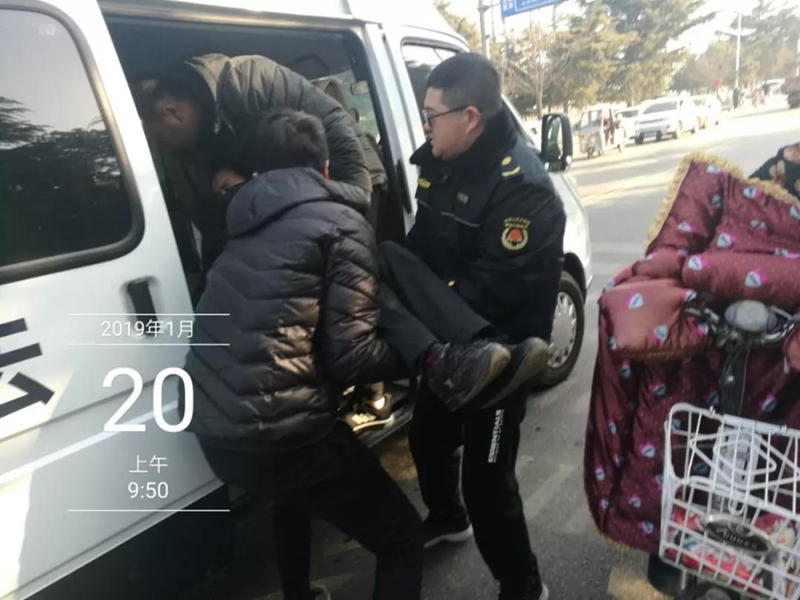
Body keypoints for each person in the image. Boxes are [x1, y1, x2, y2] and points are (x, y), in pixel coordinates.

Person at [182, 107, 519, 600]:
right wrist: (419, 354)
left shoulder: (236, 223)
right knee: (401, 540)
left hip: (213, 429)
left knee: (291, 497)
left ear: (258, 175)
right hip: (286, 432)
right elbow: (352, 358)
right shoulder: (341, 222)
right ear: (324, 169)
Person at [401, 53, 566, 600]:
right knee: (426, 437)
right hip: (449, 347)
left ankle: (523, 583)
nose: (425, 126)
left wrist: (418, 306)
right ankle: (449, 517)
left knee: (487, 480)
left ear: (469, 117)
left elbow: (494, 289)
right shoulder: (441, 163)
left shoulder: (524, 189)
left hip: (501, 355)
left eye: (431, 115)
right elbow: (423, 243)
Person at [140, 53, 386, 269]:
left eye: (160, 139)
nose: (163, 148)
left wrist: (357, 196)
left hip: (353, 177)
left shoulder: (247, 79)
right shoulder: (198, 138)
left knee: (351, 275)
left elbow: (333, 123)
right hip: (292, 202)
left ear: (171, 112)